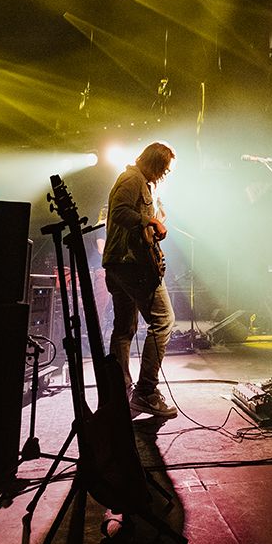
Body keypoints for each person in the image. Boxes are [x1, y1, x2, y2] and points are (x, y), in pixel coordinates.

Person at [103, 141, 178, 419]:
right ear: (154, 163)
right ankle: (146, 392)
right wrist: (150, 222)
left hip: (121, 265)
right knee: (163, 320)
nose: (165, 175)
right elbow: (120, 211)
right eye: (164, 169)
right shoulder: (131, 178)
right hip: (132, 266)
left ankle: (120, 393)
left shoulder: (141, 182)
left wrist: (154, 221)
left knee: (124, 329)